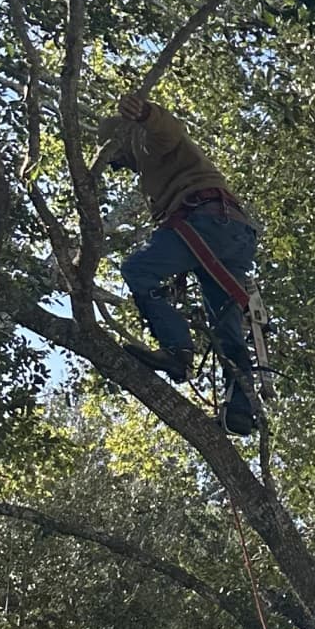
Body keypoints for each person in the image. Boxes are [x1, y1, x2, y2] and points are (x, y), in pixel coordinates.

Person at [106, 91, 264, 435]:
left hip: (205, 222)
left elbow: (169, 129)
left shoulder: (150, 144)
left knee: (138, 270)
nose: (119, 164)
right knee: (226, 328)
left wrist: (145, 113)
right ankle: (239, 408)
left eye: (116, 155)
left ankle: (178, 350)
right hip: (231, 233)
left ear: (124, 138)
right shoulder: (155, 167)